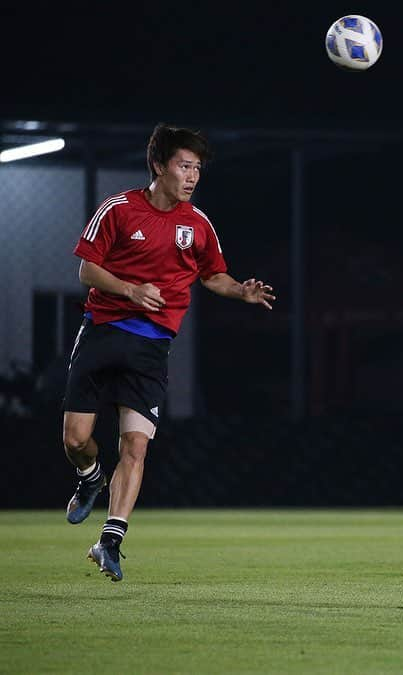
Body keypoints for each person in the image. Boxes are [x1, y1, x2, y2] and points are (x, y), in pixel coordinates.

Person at [62, 123, 276, 582]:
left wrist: (240, 291)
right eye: (184, 165)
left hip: (151, 348)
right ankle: (90, 476)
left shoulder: (197, 225)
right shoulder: (118, 209)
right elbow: (87, 269)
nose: (192, 175)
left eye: (197, 168)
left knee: (136, 446)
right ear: (159, 165)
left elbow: (213, 275)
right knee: (76, 440)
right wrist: (130, 290)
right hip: (101, 333)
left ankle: (110, 541)